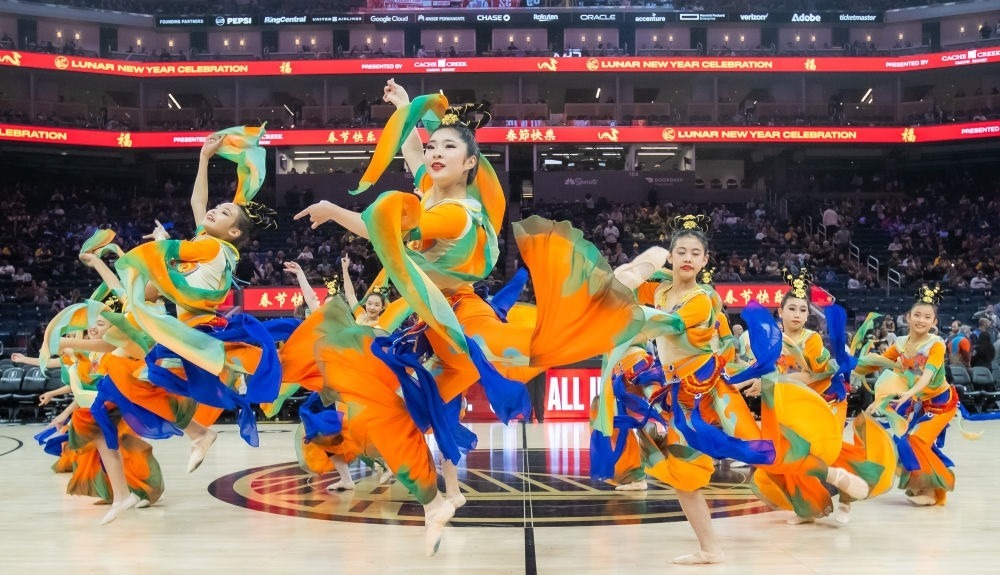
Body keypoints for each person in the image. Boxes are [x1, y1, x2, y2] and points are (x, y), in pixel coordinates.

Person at [292, 79, 641, 555]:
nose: (435, 153)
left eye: (448, 147)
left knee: (537, 348)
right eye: (433, 146)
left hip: (462, 321)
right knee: (387, 416)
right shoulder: (431, 192)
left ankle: (616, 295)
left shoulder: (456, 213)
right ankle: (437, 501)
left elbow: (387, 228)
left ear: (471, 163)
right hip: (429, 329)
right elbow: (413, 159)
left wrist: (335, 210)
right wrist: (404, 110)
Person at [740, 269, 891, 525]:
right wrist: (736, 383)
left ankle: (846, 499)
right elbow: (760, 370)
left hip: (824, 402)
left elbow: (810, 377)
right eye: (792, 309)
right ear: (780, 311)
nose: (797, 314)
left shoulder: (811, 340)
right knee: (791, 455)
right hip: (792, 407)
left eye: (803, 310)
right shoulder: (772, 340)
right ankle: (808, 508)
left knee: (825, 454)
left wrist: (769, 382)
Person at [855, 286, 962, 506]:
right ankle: (920, 485)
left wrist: (910, 393)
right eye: (917, 315)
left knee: (917, 440)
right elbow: (878, 363)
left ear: (934, 322)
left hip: (941, 403)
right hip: (917, 401)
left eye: (927, 317)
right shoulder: (901, 343)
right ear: (908, 317)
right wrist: (851, 366)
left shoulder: (936, 345)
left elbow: (927, 376)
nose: (921, 320)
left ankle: (933, 491)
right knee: (901, 440)